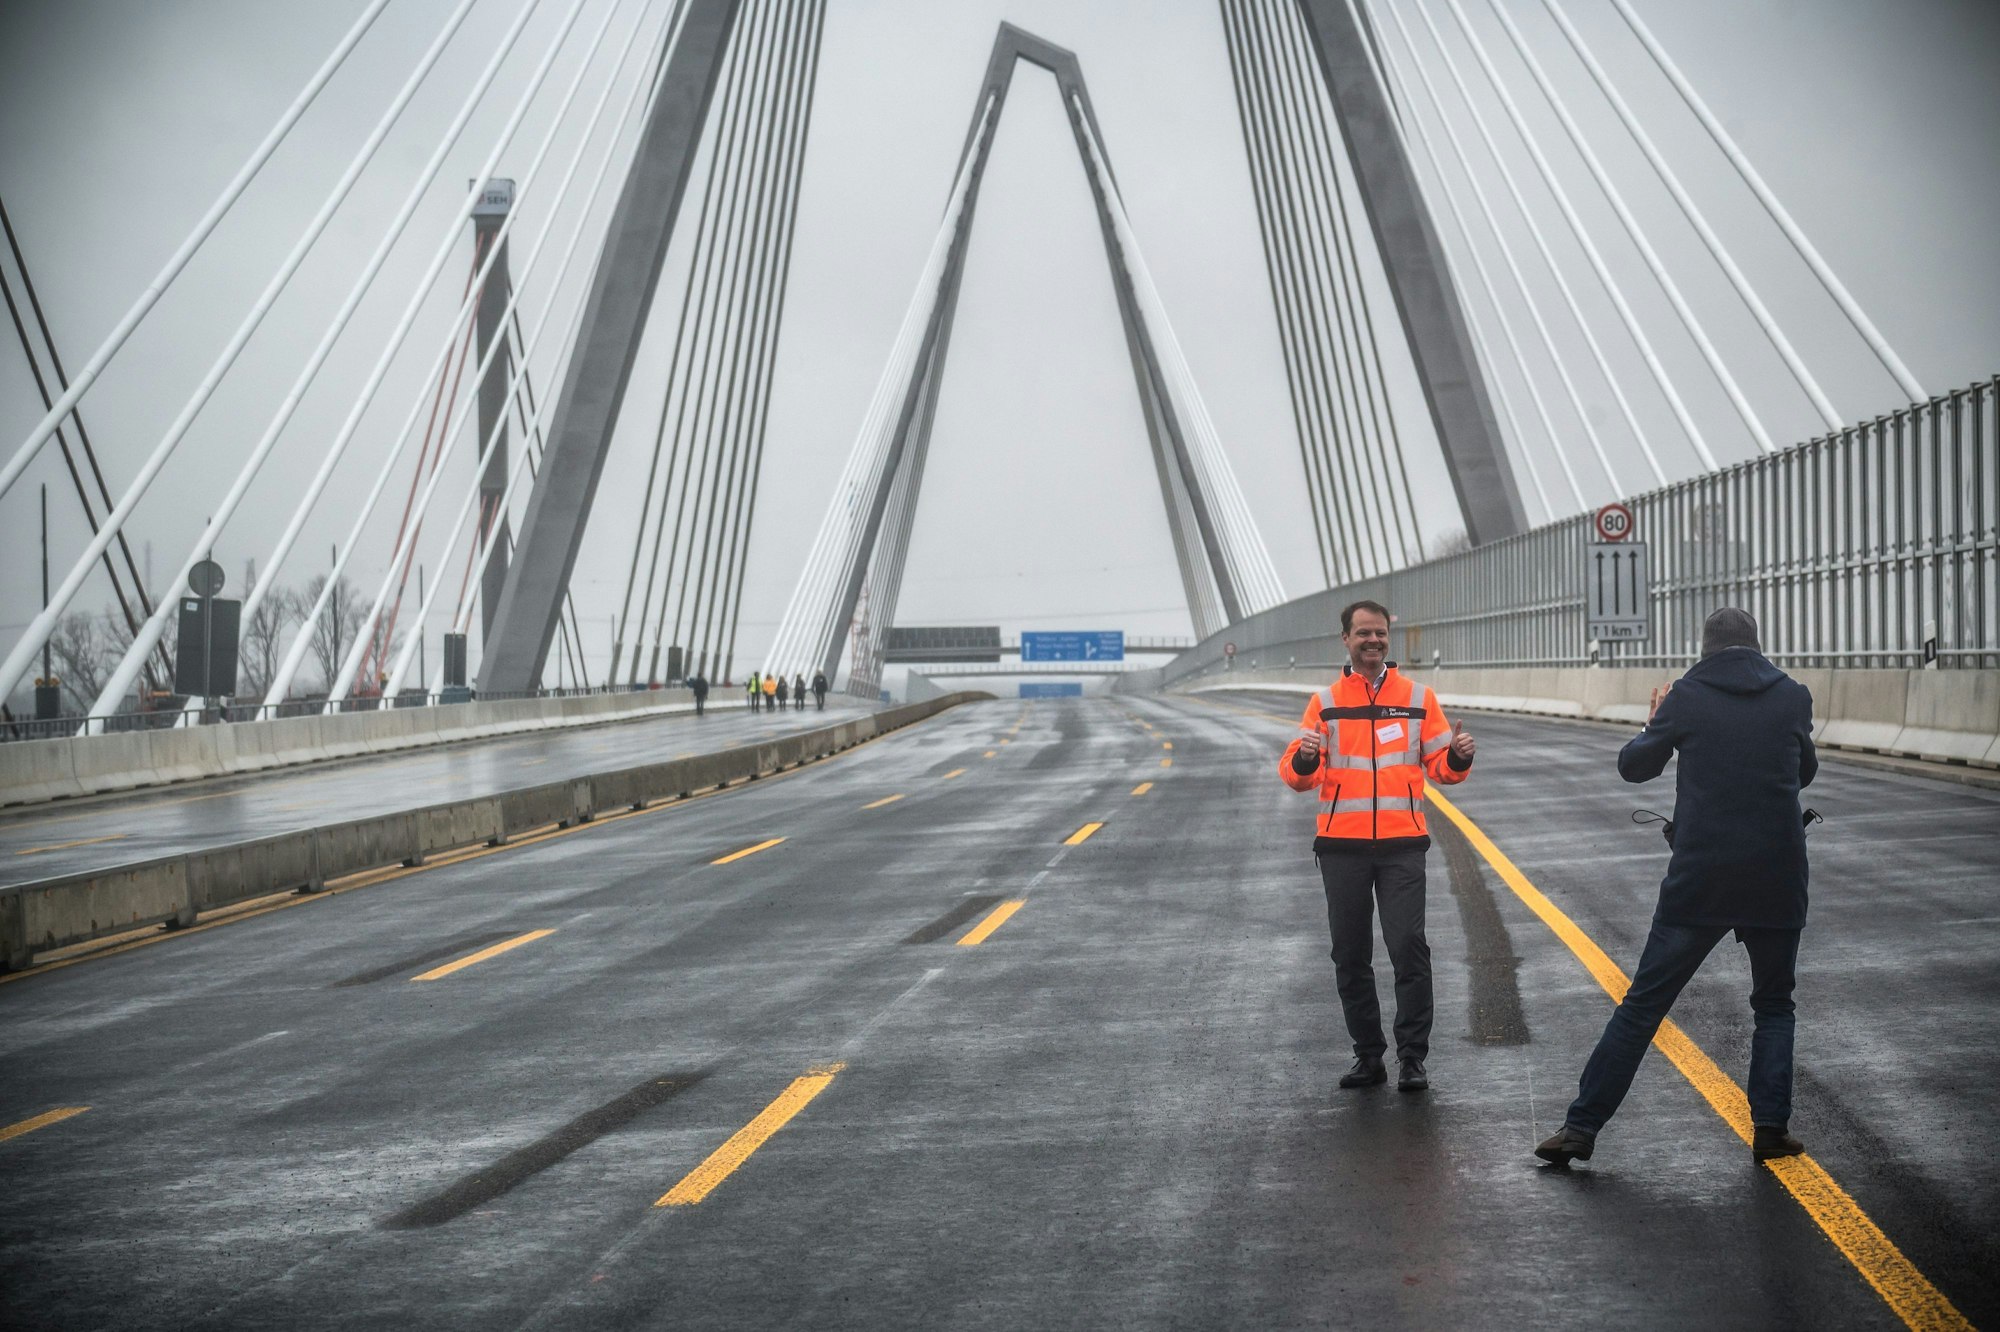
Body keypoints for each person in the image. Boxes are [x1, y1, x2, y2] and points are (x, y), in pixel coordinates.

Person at [1536, 608, 1816, 1167]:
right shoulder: (1793, 696)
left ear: (1706, 648)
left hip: (1702, 879)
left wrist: (1653, 724)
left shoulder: (1686, 696)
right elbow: (1804, 772)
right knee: (1774, 1006)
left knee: (1643, 1006)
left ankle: (1580, 1129)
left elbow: (1634, 768)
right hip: (1775, 875)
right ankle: (1769, 1129)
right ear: (1757, 646)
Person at [1279, 599, 1476, 1093]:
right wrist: (1305, 760)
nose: (1373, 641)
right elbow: (1297, 775)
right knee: (1350, 953)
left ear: (1389, 638)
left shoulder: (1418, 697)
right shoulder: (1324, 702)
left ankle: (1413, 1058)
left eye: (1380, 634)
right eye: (1363, 633)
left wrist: (1455, 754)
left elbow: (1442, 770)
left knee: (1408, 947)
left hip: (1402, 845)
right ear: (1345, 640)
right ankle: (1368, 1057)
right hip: (1341, 847)